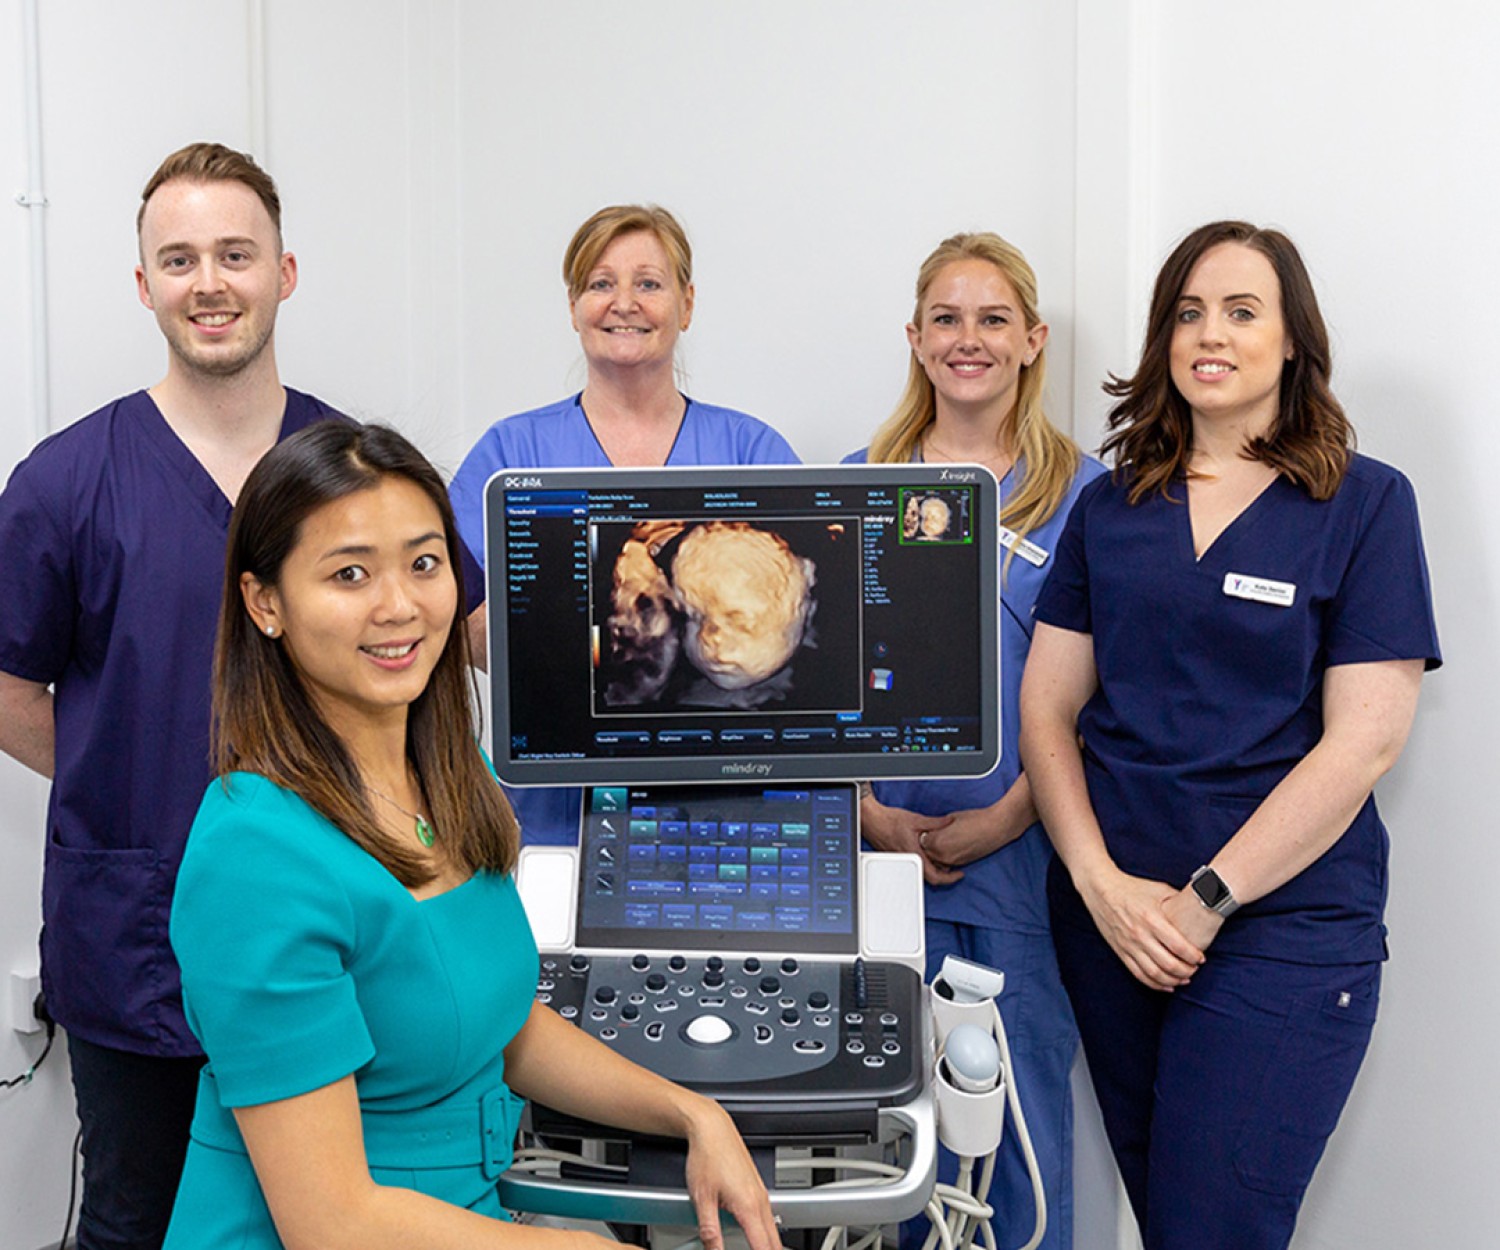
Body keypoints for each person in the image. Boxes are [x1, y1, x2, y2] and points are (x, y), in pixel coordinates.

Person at [163, 421, 778, 1250]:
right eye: (350, 574)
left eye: (424, 564)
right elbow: (332, 1222)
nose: (400, 606)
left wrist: (692, 1113)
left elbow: (505, 1026)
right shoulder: (255, 854)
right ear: (264, 603)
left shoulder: (453, 782)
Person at [1020, 221, 1440, 1250]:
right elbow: (1047, 710)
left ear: (1293, 340)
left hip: (1279, 927)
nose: (1211, 333)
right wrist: (1101, 886)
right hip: (1116, 926)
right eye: (1189, 312)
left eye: (1243, 311)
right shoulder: (1113, 505)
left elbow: (1364, 743)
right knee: (1172, 1222)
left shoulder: (1364, 503)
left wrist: (1207, 898)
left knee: (1214, 1226)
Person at [0, 142, 355, 1250]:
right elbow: (6, 683)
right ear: (144, 283)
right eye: (181, 258)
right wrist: (116, 761)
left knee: (323, 1217)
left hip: (328, 921)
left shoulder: (352, 471)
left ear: (284, 273)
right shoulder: (65, 482)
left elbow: (445, 634)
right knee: (135, 1220)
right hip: (135, 938)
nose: (210, 282)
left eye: (236, 254)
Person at [844, 232, 1104, 1250]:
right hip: (876, 866)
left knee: (1016, 1152)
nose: (969, 339)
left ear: (1033, 339)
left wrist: (1007, 816)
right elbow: (812, 682)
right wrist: (870, 813)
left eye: (993, 318)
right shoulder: (856, 486)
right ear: (914, 338)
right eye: (946, 318)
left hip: (1018, 870)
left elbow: (1103, 698)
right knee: (887, 1151)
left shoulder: (1088, 497)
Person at [449, 204, 799, 845]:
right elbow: (451, 614)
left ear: (686, 304)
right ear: (574, 306)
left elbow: (793, 628)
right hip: (554, 803)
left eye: (649, 283)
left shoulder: (752, 451)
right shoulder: (512, 453)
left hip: (723, 799)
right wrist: (580, 653)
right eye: (601, 283)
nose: (624, 303)